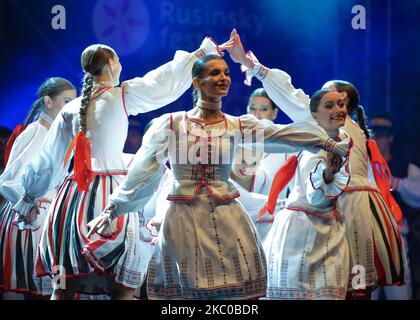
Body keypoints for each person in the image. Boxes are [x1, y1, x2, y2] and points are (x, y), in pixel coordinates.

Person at [86, 53, 350, 300]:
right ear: (197, 82)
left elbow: (283, 136)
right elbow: (143, 171)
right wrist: (114, 209)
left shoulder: (236, 126)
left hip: (225, 218)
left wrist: (325, 143)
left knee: (229, 295)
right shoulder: (171, 125)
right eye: (215, 73)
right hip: (182, 220)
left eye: (225, 73)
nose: (223, 78)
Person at [10, 37, 231, 300]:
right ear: (112, 65)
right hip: (110, 193)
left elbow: (48, 161)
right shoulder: (121, 96)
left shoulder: (70, 108)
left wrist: (29, 198)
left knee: (64, 284)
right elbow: (162, 82)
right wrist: (200, 53)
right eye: (118, 61)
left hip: (71, 198)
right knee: (121, 286)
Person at [226, 28, 406, 298]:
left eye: (332, 98)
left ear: (342, 103)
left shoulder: (325, 119)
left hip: (345, 205)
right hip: (360, 208)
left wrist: (250, 63)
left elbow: (287, 93)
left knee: (332, 282)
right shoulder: (352, 128)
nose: (320, 98)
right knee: (349, 285)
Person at [262, 89, 351, 299]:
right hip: (303, 229)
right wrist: (328, 175)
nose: (338, 110)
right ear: (314, 116)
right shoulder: (315, 147)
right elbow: (315, 197)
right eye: (329, 106)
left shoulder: (341, 139)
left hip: (327, 227)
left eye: (341, 104)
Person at [0, 78, 77, 299]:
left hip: (49, 218)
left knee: (56, 285)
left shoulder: (57, 136)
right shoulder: (36, 131)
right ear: (48, 101)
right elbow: (7, 179)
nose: (70, 106)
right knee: (38, 289)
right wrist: (28, 205)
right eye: (66, 101)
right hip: (30, 220)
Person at [368, 113, 415, 300]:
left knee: (399, 294)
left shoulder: (405, 167)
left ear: (390, 138)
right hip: (368, 238)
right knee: (366, 292)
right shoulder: (362, 166)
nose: (377, 140)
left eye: (381, 135)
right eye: (373, 135)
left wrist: (395, 183)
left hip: (395, 238)